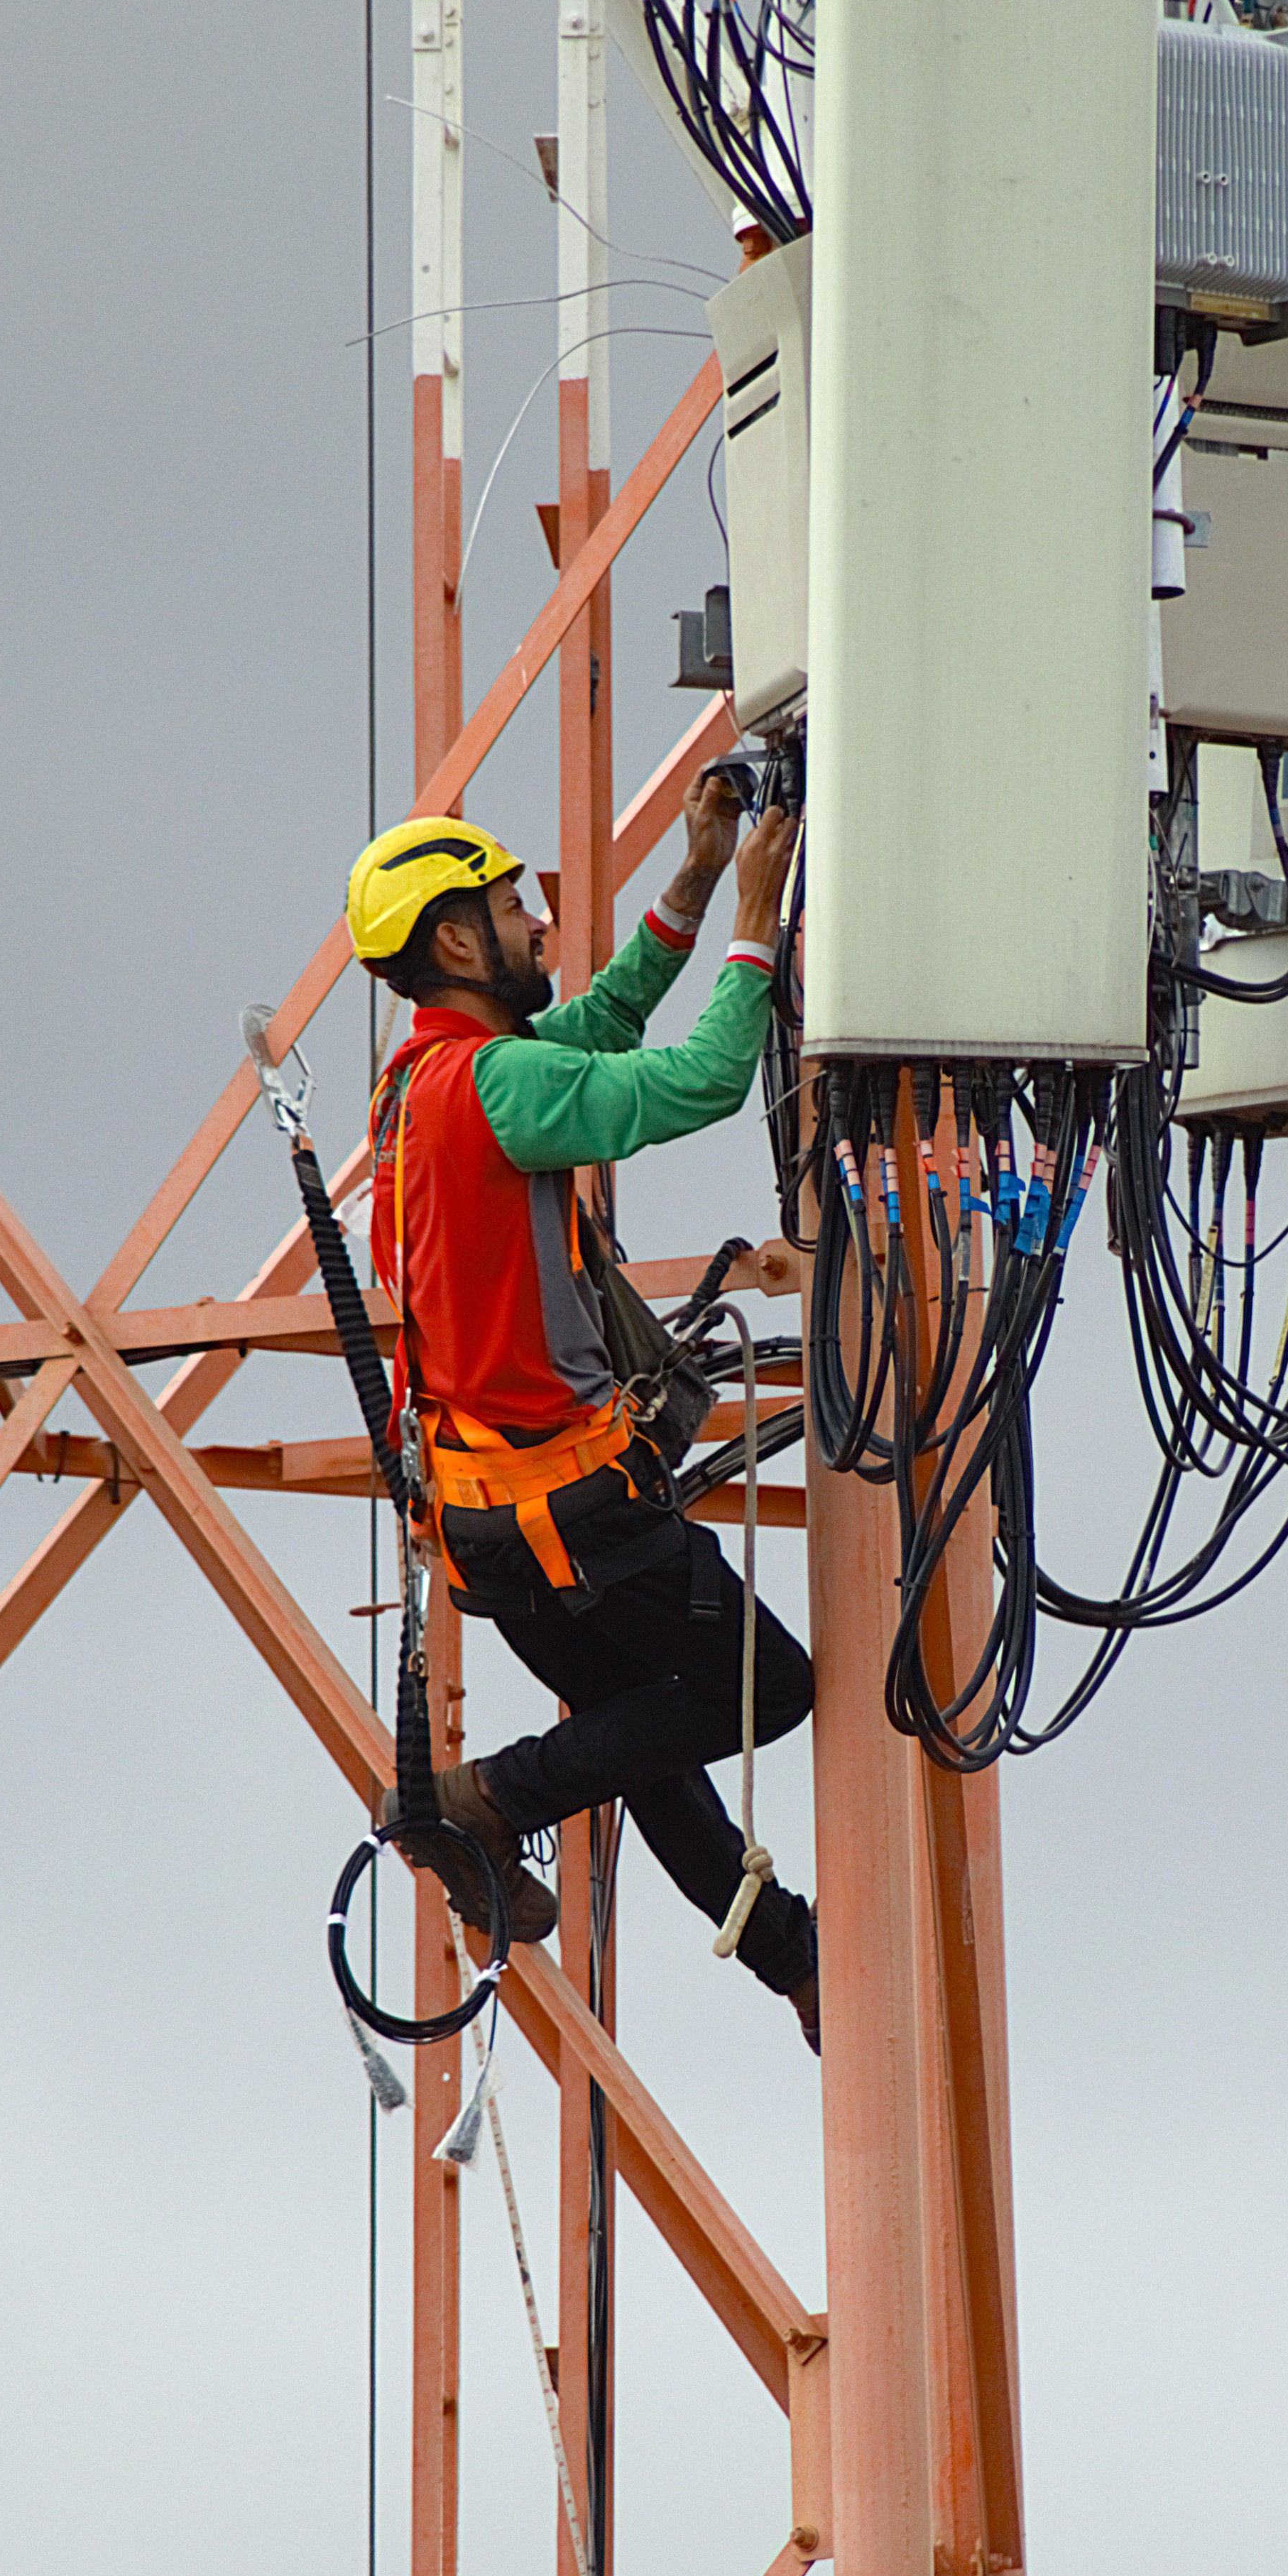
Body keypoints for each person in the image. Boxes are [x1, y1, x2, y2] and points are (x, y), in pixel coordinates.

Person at [349, 771, 823, 2048]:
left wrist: (697, 875)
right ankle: (484, 1800)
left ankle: (792, 1959)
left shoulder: (418, 1088)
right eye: (518, 907)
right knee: (769, 1683)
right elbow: (706, 1078)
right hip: (575, 1513)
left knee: (646, 1739)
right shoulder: (496, 1089)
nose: (542, 924)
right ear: (456, 940)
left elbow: (602, 1023)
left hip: (488, 1531)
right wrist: (757, 931)